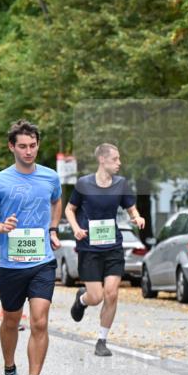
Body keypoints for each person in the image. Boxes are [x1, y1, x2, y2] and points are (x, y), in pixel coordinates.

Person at [0, 120, 62, 375]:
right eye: (23, 146)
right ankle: (10, 370)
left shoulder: (50, 177)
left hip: (42, 261)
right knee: (11, 320)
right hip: (11, 262)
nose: (29, 151)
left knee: (39, 320)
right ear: (12, 147)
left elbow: (57, 201)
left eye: (33, 146)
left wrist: (52, 229)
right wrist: (0, 226)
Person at [66, 143, 145, 356]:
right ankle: (82, 299)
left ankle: (102, 340)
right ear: (102, 160)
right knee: (96, 296)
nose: (119, 163)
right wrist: (75, 228)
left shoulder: (121, 184)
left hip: (113, 247)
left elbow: (131, 208)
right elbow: (70, 209)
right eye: (115, 159)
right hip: (89, 248)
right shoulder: (84, 184)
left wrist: (136, 217)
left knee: (111, 294)